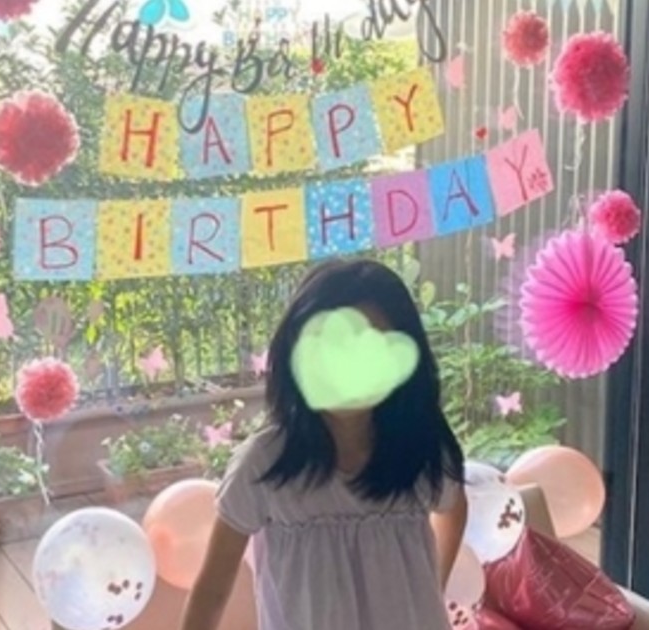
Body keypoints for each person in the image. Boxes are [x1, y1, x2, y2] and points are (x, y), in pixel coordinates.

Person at [179, 259, 469, 630]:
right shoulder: (264, 464)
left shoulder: (420, 451)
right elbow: (211, 591)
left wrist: (432, 590)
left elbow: (454, 507)